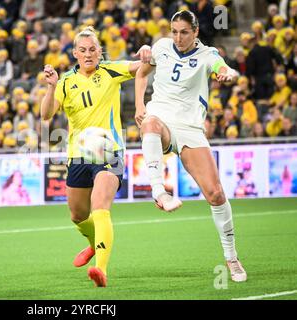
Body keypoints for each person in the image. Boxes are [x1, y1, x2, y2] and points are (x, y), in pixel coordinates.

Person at [134, 10, 247, 282]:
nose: (178, 37)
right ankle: (159, 191)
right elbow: (141, 74)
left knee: (216, 194)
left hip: (190, 128)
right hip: (160, 116)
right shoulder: (161, 48)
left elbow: (223, 67)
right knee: (148, 124)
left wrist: (226, 74)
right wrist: (139, 105)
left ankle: (231, 258)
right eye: (174, 31)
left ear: (195, 32)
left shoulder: (207, 55)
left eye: (184, 32)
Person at [41, 26, 146, 287]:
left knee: (100, 206)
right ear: (75, 53)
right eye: (83, 50)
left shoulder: (111, 70)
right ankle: (92, 243)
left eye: (93, 49)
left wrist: (147, 54)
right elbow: (46, 114)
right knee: (78, 215)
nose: (88, 54)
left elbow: (142, 67)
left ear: (100, 51)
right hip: (78, 155)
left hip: (109, 151)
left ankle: (101, 270)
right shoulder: (65, 81)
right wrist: (50, 87)